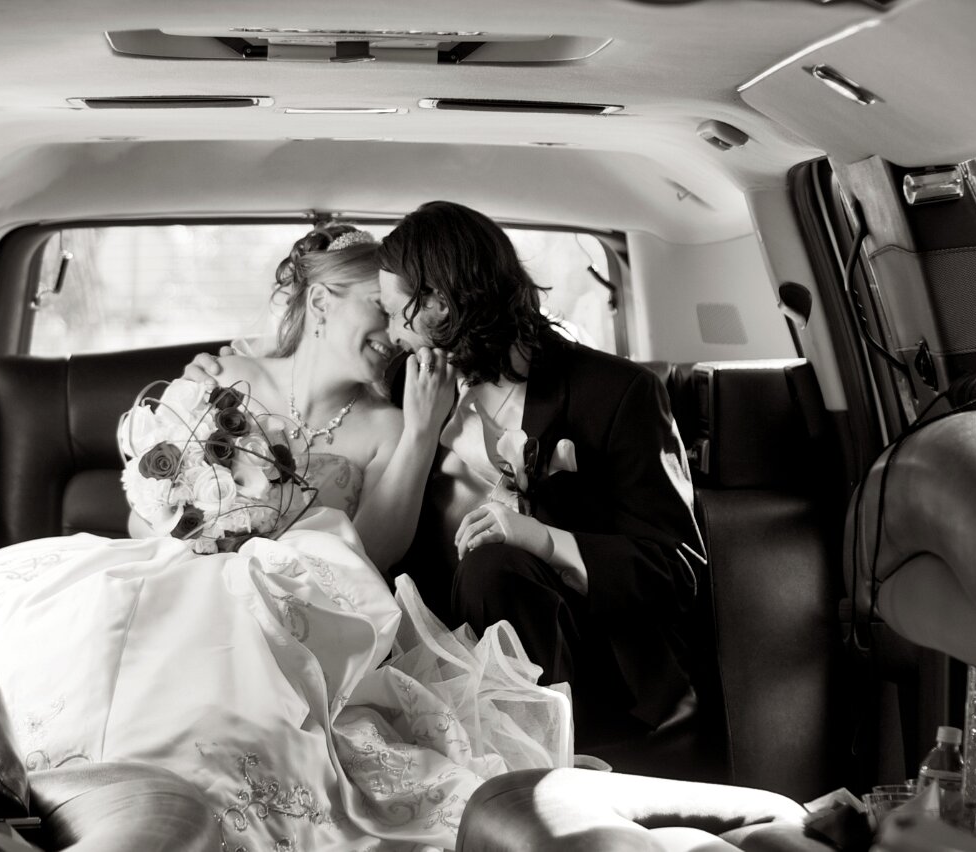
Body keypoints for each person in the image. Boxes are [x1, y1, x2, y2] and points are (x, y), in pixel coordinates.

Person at [0, 224, 574, 852]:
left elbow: (372, 556)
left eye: (402, 313)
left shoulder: (388, 423)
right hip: (177, 570)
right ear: (320, 301)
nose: (395, 331)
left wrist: (420, 433)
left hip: (294, 611)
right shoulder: (218, 377)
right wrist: (203, 525)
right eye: (378, 308)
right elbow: (142, 516)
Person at [193, 203, 706, 746]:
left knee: (494, 566)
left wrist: (544, 540)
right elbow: (312, 366)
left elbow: (677, 571)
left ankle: (540, 753)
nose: (392, 333)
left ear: (439, 302)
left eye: (396, 313)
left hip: (588, 661)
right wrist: (216, 374)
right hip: (436, 652)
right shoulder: (408, 379)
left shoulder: (617, 393)